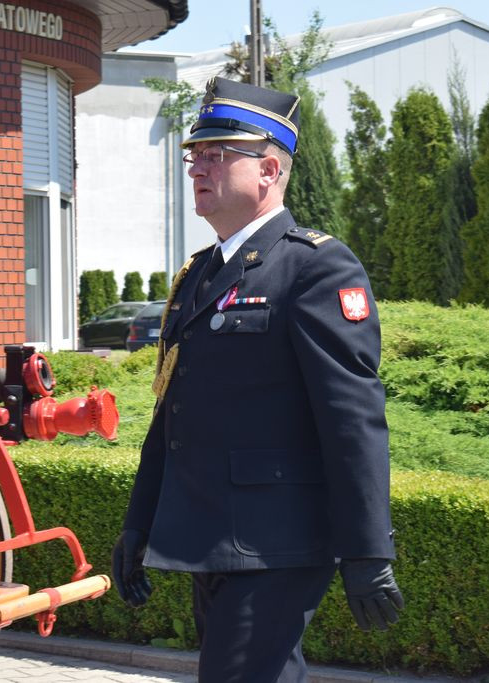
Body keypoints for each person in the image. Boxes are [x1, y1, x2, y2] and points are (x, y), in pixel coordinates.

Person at [111, 76, 404, 682]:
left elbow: (352, 418)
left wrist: (369, 549)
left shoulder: (315, 266)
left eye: (217, 155)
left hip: (279, 542)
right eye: (195, 155)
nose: (198, 167)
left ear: (269, 169)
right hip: (211, 537)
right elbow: (172, 416)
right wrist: (139, 522)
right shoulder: (201, 273)